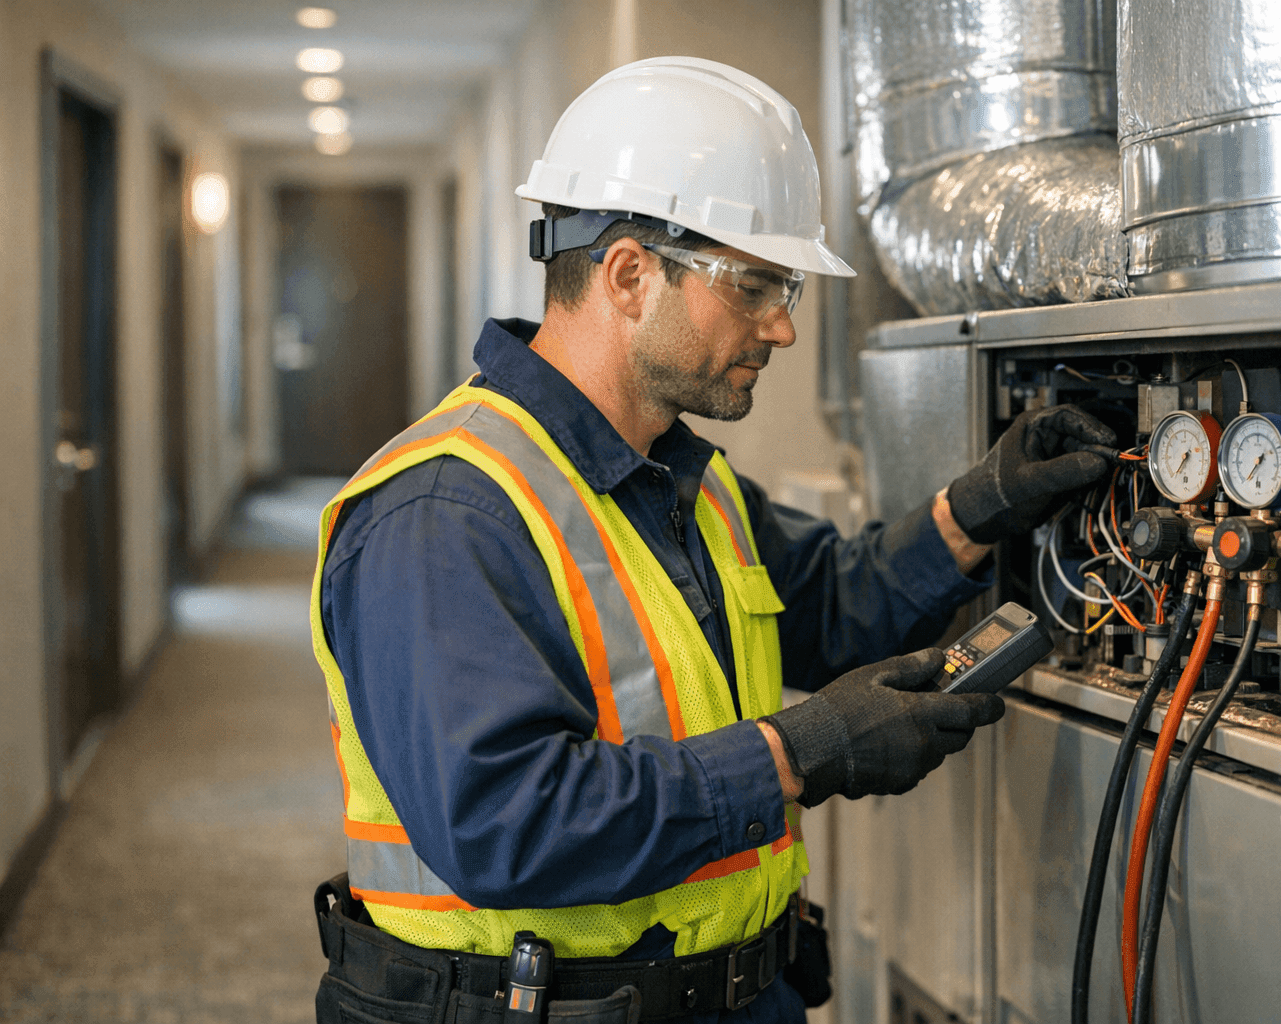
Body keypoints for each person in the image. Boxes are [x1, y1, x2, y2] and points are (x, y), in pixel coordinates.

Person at [309, 56, 1115, 1024]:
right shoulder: (447, 513)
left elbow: (826, 603)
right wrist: (793, 752)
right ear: (628, 273)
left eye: (789, 290)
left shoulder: (683, 475)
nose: (780, 327)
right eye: (755, 285)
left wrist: (978, 507)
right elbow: (506, 823)